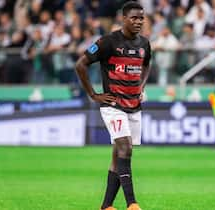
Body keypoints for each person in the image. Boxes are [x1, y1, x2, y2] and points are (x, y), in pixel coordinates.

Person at [75, 2, 151, 210]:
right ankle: (132, 203)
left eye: (141, 18)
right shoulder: (107, 42)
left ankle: (106, 206)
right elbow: (80, 64)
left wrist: (140, 87)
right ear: (124, 19)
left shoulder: (144, 44)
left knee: (118, 156)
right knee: (125, 147)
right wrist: (93, 94)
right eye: (134, 18)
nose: (138, 21)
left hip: (134, 105)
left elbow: (147, 65)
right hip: (113, 104)